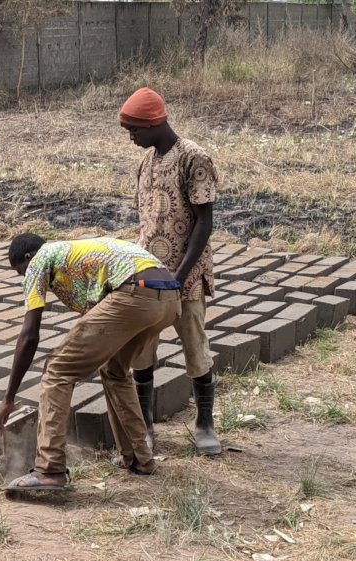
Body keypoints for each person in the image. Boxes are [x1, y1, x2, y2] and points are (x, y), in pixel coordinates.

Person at [0, 234, 181, 489]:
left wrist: (8, 398)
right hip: (169, 297)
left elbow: (29, 336)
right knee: (115, 370)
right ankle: (139, 458)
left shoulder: (39, 260)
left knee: (57, 369)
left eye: (21, 272)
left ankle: (49, 469)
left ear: (28, 257)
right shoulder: (72, 253)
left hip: (134, 292)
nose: (24, 279)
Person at [119, 86, 222, 456]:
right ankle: (146, 426)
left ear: (153, 123)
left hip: (188, 277)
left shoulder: (193, 158)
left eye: (134, 130)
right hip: (151, 277)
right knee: (142, 351)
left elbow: (204, 223)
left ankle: (205, 424)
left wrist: (180, 276)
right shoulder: (146, 162)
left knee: (195, 347)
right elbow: (148, 223)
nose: (132, 138)